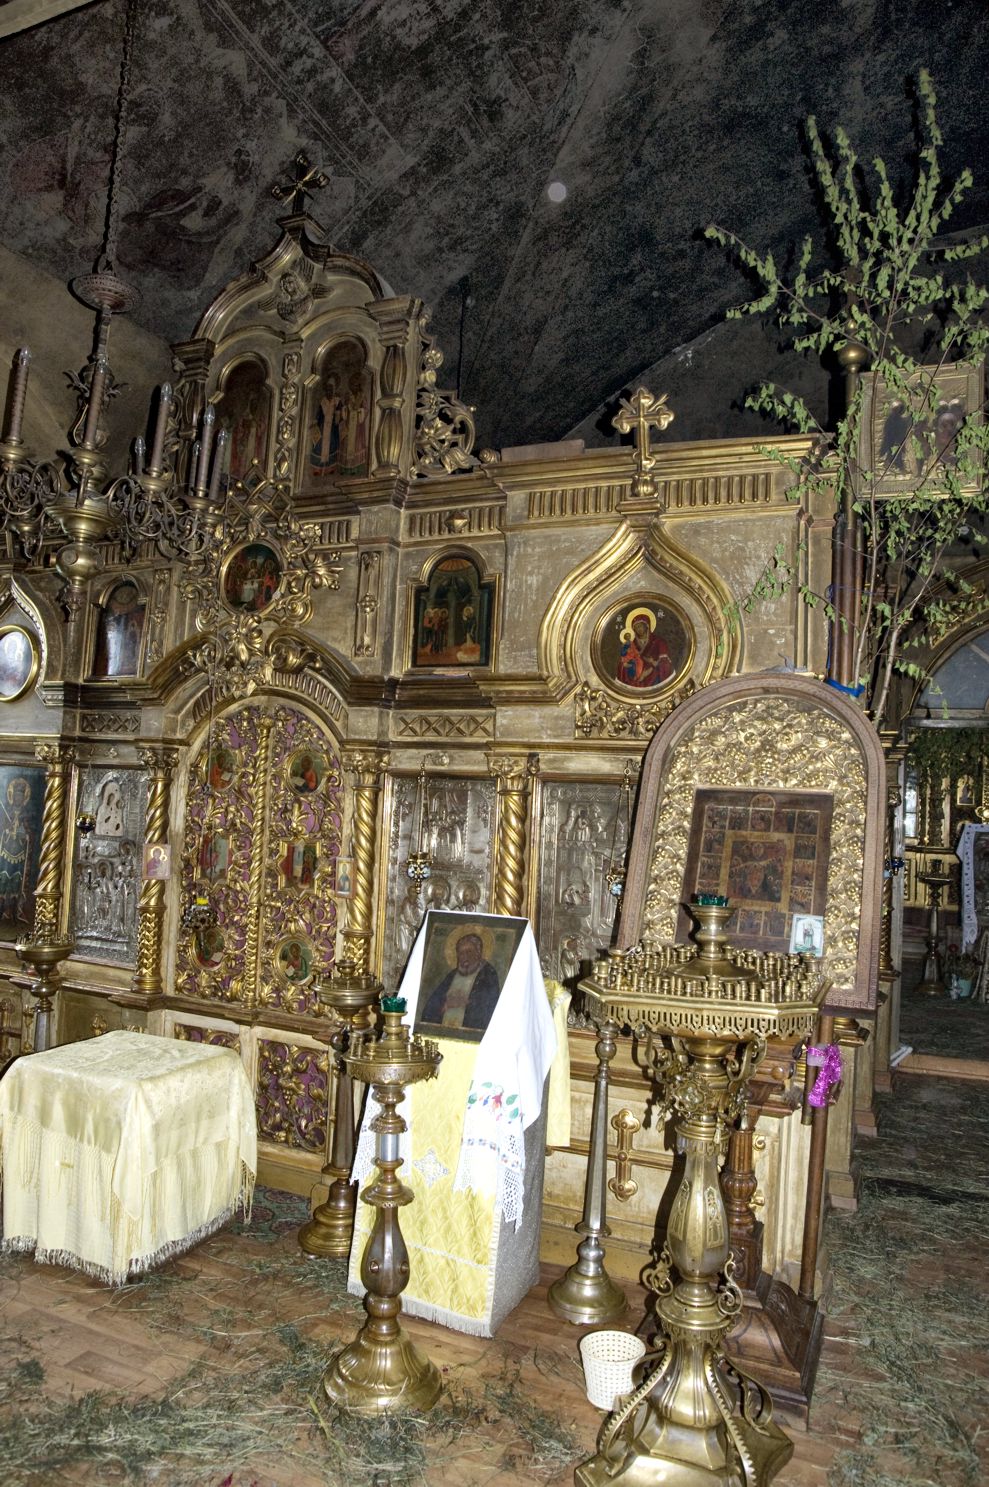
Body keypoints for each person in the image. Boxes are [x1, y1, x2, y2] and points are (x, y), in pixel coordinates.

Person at [421, 931, 500, 1031]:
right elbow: (431, 1006)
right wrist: (444, 1005)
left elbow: (488, 1006)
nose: (465, 957)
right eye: (461, 953)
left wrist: (465, 1003)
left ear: (478, 952)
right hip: (443, 1032)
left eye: (469, 952)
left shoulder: (488, 973)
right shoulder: (452, 976)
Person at [616, 608, 675, 688]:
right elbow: (625, 659)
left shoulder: (659, 642)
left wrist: (650, 668)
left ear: (647, 625)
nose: (638, 629)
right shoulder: (631, 644)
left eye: (640, 626)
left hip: (654, 677)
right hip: (635, 677)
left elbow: (664, 661)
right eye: (636, 627)